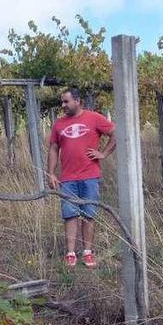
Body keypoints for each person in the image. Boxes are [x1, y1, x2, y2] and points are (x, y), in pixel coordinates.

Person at [47, 88, 116, 268]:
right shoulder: (59, 124)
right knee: (70, 215)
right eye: (62, 102)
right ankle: (70, 253)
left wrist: (104, 153)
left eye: (66, 102)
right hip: (68, 178)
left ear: (77, 101)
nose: (63, 105)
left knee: (88, 214)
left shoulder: (94, 118)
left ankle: (87, 252)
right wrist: (52, 173)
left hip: (90, 176)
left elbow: (115, 134)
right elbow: (54, 149)